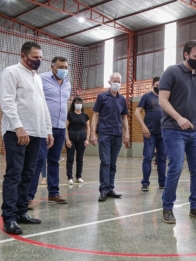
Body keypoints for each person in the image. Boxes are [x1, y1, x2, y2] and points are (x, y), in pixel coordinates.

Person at [0, 41, 54, 234]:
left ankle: (22, 211)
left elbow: (42, 106)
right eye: (35, 58)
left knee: (28, 174)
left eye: (40, 57)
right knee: (14, 174)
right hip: (18, 132)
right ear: (23, 56)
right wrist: (18, 127)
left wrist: (47, 130)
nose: (38, 61)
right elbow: (7, 102)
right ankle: (9, 217)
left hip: (37, 132)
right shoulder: (11, 72)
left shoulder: (37, 77)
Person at [158, 40, 196, 224]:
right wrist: (178, 118)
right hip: (173, 129)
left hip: (195, 130)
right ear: (186, 54)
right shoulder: (172, 71)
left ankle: (195, 206)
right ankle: (167, 208)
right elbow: (163, 100)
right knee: (176, 167)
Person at [27, 56, 71, 209]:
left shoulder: (67, 84)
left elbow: (64, 104)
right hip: (44, 127)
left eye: (66, 67)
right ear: (52, 67)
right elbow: (35, 101)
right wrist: (44, 127)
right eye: (61, 67)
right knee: (39, 161)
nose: (64, 70)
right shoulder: (41, 79)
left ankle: (53, 193)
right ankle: (28, 197)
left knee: (54, 161)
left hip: (60, 127)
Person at [90, 72, 129, 202]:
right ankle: (103, 190)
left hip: (117, 135)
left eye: (119, 81)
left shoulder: (122, 99)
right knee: (105, 162)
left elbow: (124, 117)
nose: (117, 83)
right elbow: (95, 115)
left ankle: (111, 188)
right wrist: (92, 133)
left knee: (113, 163)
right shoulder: (101, 97)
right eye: (115, 81)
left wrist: (127, 132)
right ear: (109, 82)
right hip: (104, 134)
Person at [134, 77, 166, 191]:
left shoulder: (165, 97)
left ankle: (162, 182)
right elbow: (137, 111)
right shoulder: (147, 97)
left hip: (163, 134)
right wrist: (143, 126)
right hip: (150, 133)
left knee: (162, 159)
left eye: (161, 85)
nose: (159, 86)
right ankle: (145, 183)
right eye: (157, 84)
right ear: (153, 85)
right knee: (148, 158)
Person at [65, 97, 90, 184]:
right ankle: (70, 177)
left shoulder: (85, 115)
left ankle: (78, 176)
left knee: (80, 158)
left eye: (80, 102)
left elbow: (88, 128)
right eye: (77, 102)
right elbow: (65, 127)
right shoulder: (70, 114)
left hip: (82, 138)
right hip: (71, 137)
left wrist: (87, 139)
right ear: (74, 104)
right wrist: (67, 139)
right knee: (70, 158)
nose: (78, 104)